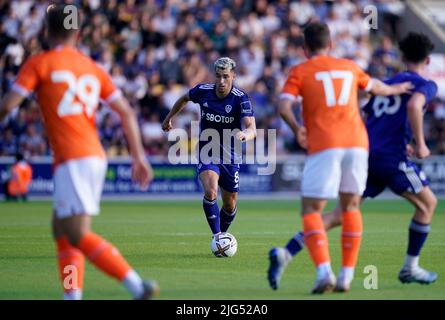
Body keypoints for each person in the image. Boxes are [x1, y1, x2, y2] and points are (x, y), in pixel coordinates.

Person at [0, 4, 158, 300]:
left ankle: (137, 286)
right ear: (79, 32)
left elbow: (8, 105)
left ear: (47, 32)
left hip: (74, 158)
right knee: (61, 229)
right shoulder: (92, 67)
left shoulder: (40, 63)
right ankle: (72, 296)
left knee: (77, 233)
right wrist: (138, 156)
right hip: (88, 154)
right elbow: (125, 112)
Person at [269, 31, 438, 292]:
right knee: (428, 204)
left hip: (367, 151)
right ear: (428, 60)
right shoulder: (420, 84)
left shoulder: (387, 80)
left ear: (402, 56)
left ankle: (288, 252)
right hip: (379, 154)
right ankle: (408, 267)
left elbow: (368, 111)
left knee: (337, 213)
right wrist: (420, 143)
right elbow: (414, 106)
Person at [162, 57, 257, 255]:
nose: (221, 81)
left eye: (226, 77)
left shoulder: (240, 98)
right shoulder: (203, 91)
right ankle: (217, 238)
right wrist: (169, 117)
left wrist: (245, 134)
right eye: (218, 77)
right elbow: (184, 98)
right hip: (208, 151)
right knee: (211, 192)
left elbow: (252, 128)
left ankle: (222, 236)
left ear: (233, 76)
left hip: (231, 156)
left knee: (230, 205)